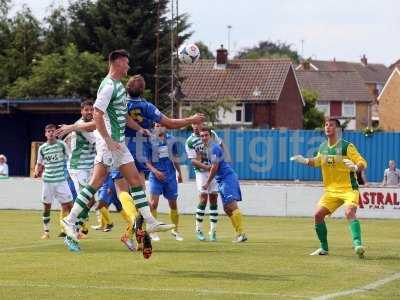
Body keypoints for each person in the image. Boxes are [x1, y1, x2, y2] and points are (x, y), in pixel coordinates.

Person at [60, 49, 176, 258]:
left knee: (134, 181)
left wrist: (139, 128)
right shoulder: (108, 87)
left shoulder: (119, 87)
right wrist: (108, 140)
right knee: (96, 183)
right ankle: (69, 221)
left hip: (118, 143)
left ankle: (149, 222)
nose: (129, 67)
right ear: (117, 63)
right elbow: (97, 114)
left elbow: (122, 116)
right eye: (126, 63)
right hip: (110, 144)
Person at [111, 74, 205, 239]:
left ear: (126, 89)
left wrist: (76, 127)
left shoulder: (119, 104)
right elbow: (170, 123)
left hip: (119, 146)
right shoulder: (146, 106)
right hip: (139, 148)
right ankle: (138, 232)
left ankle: (134, 229)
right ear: (143, 90)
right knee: (140, 195)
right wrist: (191, 119)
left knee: (122, 190)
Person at [291, 118, 367, 258]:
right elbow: (317, 162)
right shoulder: (322, 147)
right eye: (326, 125)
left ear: (337, 129)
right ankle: (323, 248)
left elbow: (362, 162)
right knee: (317, 215)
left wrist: (356, 167)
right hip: (331, 191)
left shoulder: (346, 146)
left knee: (349, 211)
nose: (327, 127)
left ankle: (358, 245)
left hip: (349, 189)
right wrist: (304, 160)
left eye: (331, 125)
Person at [200, 127, 247, 243]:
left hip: (227, 178)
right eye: (202, 136)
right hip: (222, 180)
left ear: (210, 136)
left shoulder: (213, 148)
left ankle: (241, 233)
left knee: (231, 205)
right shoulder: (209, 149)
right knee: (227, 209)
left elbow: (215, 167)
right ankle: (239, 233)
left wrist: (207, 183)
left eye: (206, 135)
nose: (204, 138)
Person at [34, 124, 74, 239]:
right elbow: (39, 163)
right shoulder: (42, 148)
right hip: (48, 181)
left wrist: (70, 173)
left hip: (61, 180)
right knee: (47, 206)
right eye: (48, 131)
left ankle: (74, 229)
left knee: (70, 205)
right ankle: (46, 231)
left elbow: (69, 158)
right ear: (45, 134)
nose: (51, 133)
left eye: (52, 131)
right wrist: (37, 171)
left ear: (56, 132)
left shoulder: (62, 145)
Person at [145, 123, 183, 241]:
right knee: (153, 203)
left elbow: (175, 158)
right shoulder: (149, 140)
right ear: (153, 127)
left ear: (166, 127)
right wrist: (155, 171)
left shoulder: (171, 139)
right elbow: (146, 161)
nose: (159, 127)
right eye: (156, 125)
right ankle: (153, 231)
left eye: (161, 125)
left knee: (173, 204)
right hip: (155, 176)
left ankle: (175, 230)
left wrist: (179, 173)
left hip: (170, 176)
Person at [185, 123, 221, 241]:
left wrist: (219, 163)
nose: (196, 126)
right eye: (194, 123)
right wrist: (207, 168)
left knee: (214, 198)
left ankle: (213, 231)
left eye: (198, 123)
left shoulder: (211, 134)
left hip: (213, 170)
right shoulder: (190, 141)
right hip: (201, 171)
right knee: (203, 198)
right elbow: (194, 161)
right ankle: (198, 229)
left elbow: (220, 147)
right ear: (191, 124)